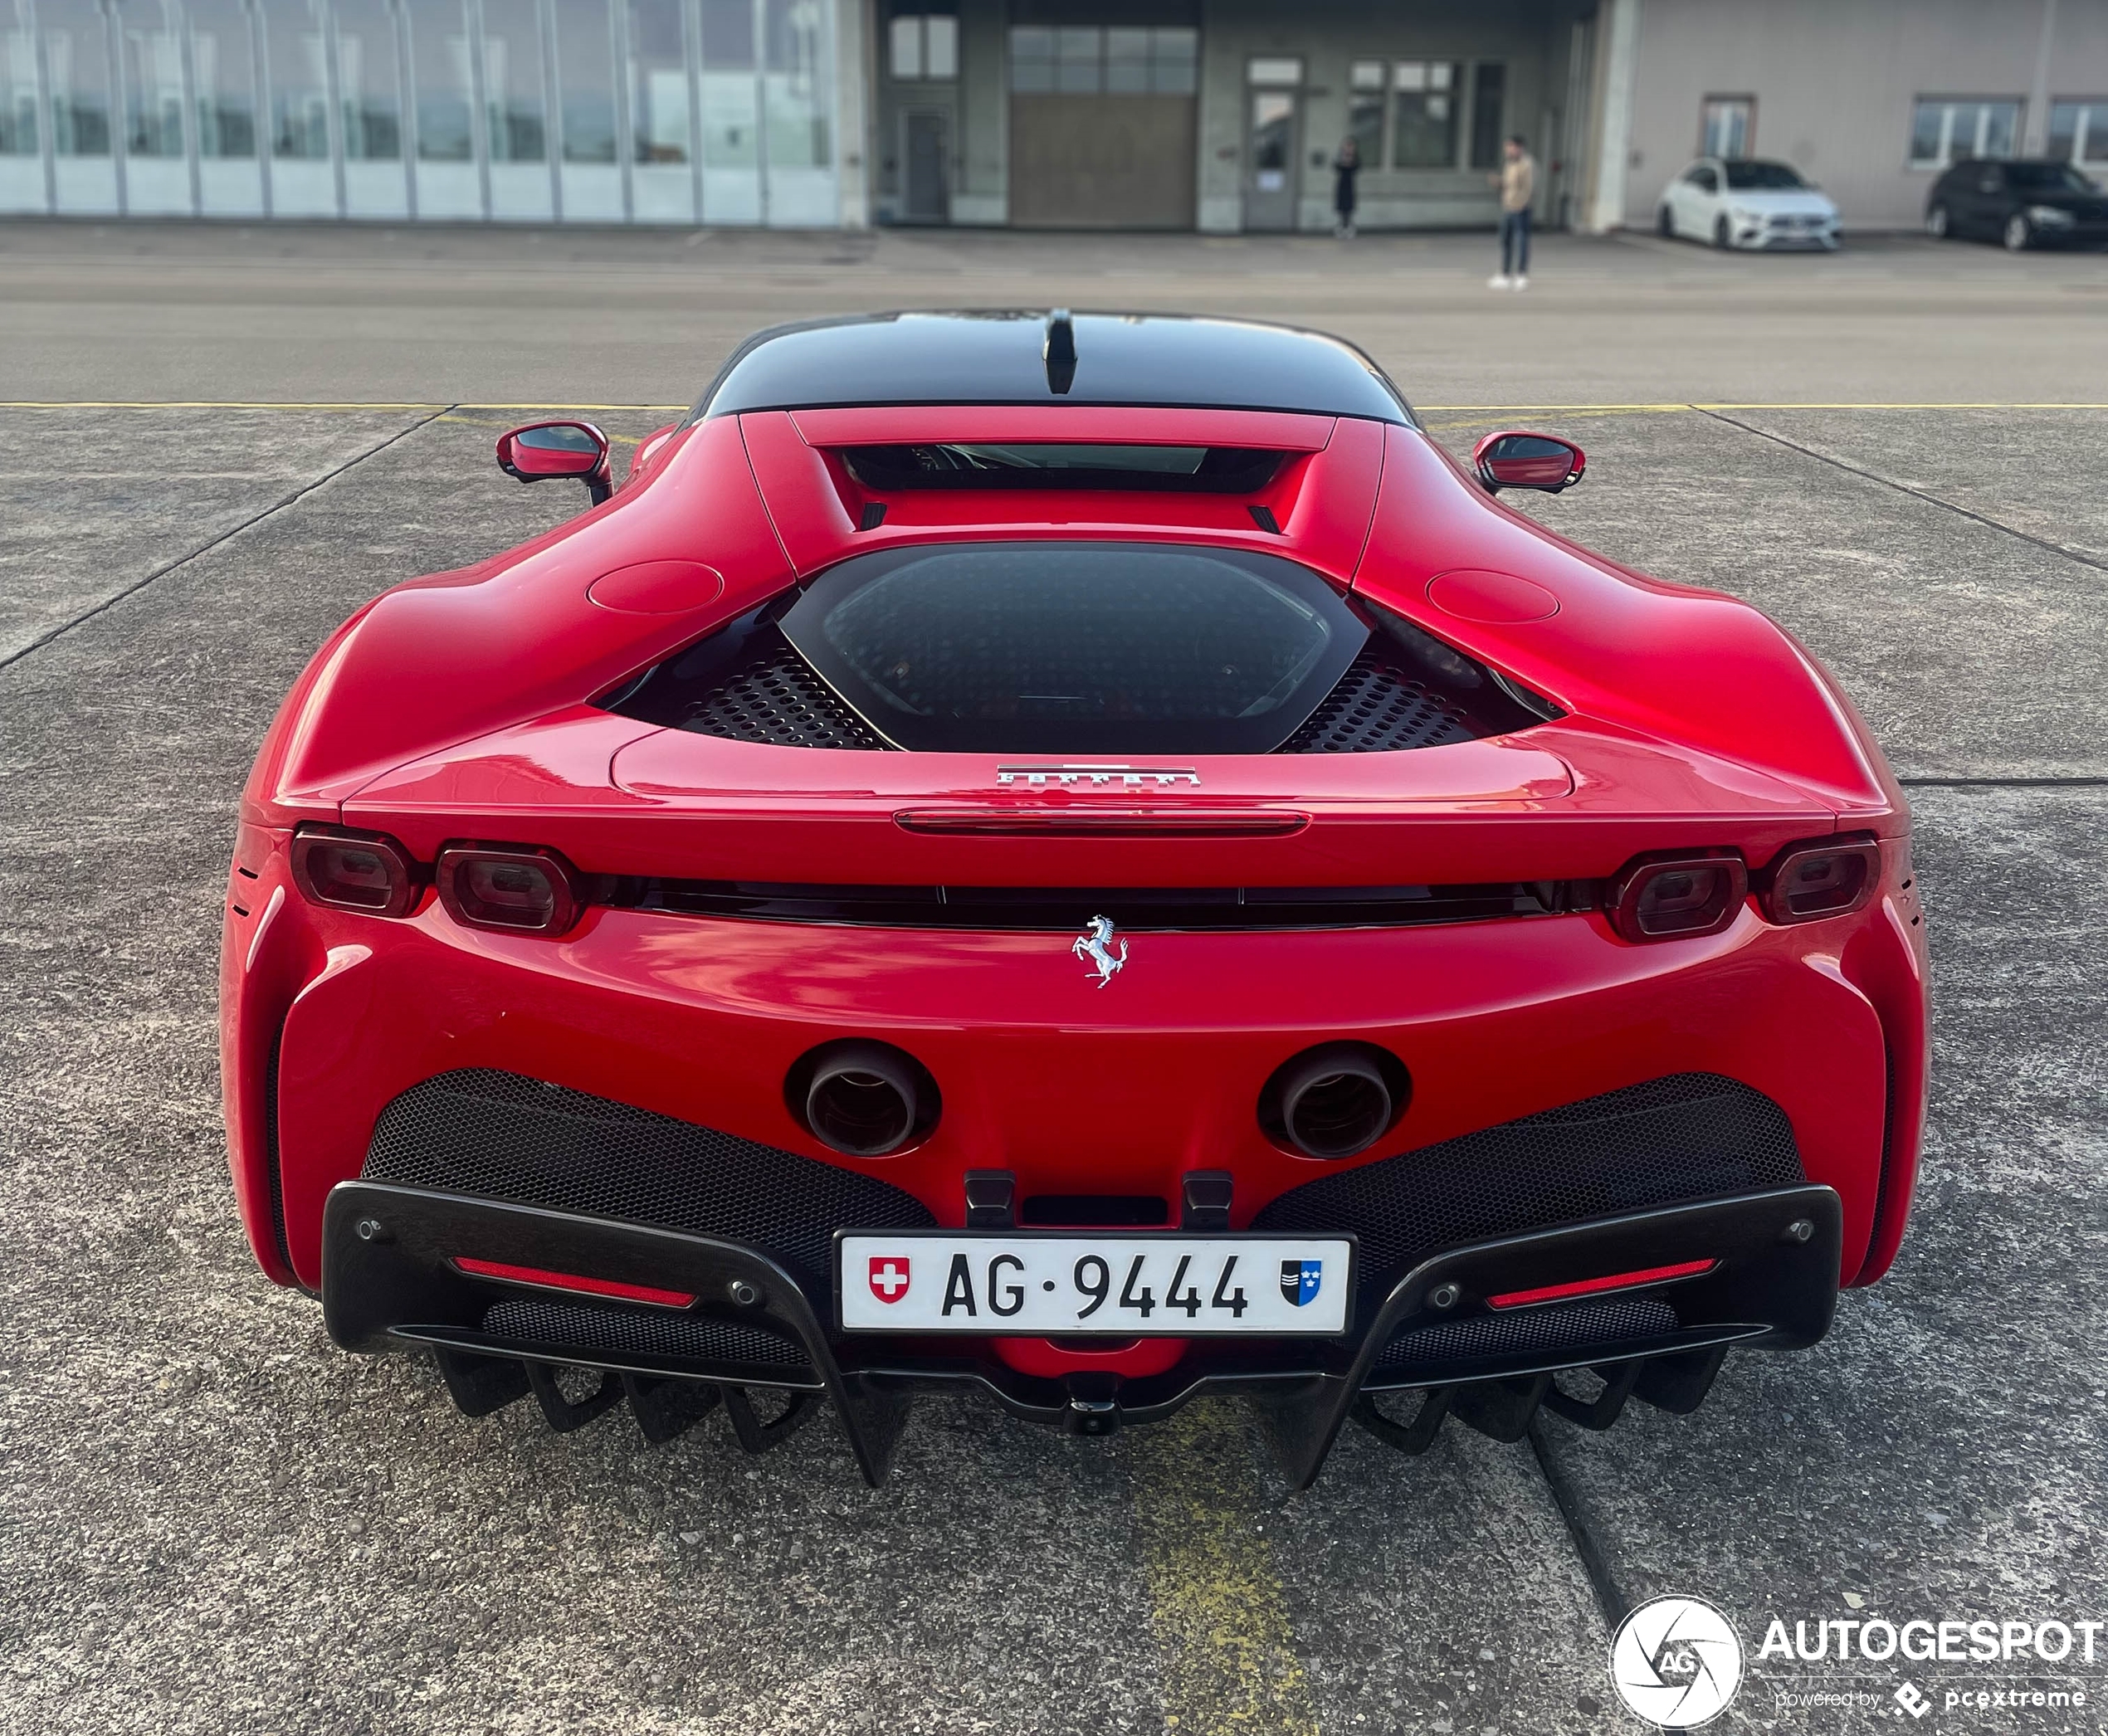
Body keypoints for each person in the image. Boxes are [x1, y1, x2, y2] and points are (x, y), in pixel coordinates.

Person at [1489, 134, 1535, 290]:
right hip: (1508, 207)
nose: (1508, 150)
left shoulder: (1526, 164)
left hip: (1521, 208)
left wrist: (1521, 204)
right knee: (1506, 241)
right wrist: (1499, 183)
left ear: (1519, 148)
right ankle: (1505, 274)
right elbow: (1510, 185)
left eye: (1511, 147)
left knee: (1522, 241)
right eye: (1507, 147)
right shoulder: (1509, 164)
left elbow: (1527, 188)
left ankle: (1521, 275)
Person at [1332, 136, 1360, 239]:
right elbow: (1335, 167)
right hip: (1342, 184)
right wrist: (1343, 161)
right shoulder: (1339, 156)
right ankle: (1341, 227)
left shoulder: (1355, 158)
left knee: (1349, 209)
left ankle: (1348, 228)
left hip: (1350, 185)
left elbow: (1357, 168)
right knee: (1341, 208)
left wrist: (1351, 161)